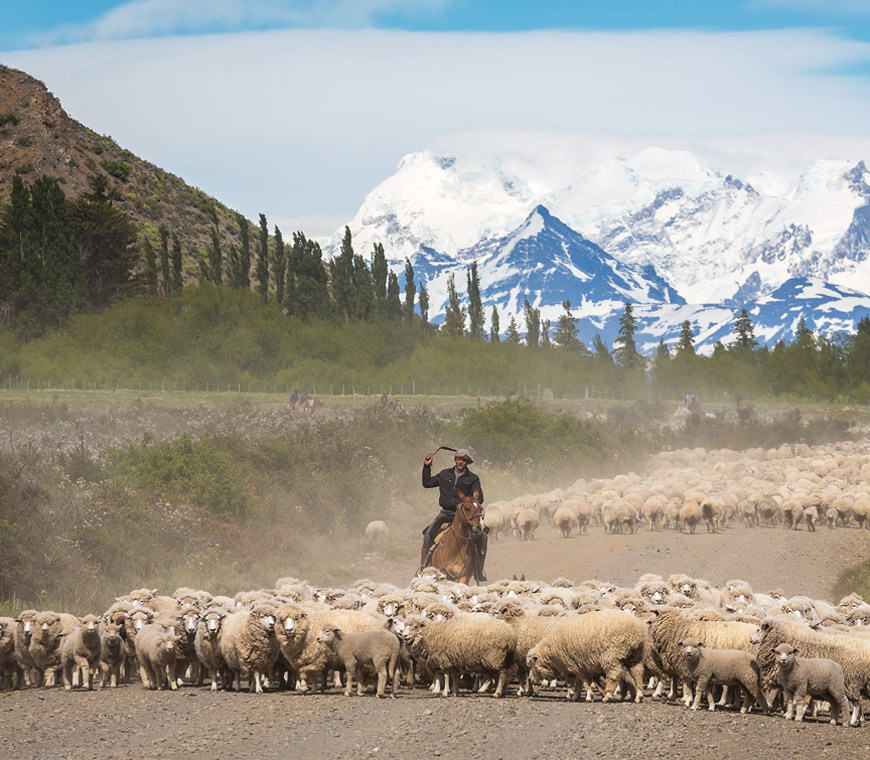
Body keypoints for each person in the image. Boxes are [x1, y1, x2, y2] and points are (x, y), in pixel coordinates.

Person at [420, 448, 486, 576]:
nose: (460, 462)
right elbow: (427, 483)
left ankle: (478, 570)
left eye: (463, 460)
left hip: (465, 516)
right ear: (455, 460)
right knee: (428, 534)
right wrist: (427, 466)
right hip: (446, 513)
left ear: (467, 462)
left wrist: (465, 504)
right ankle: (422, 569)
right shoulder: (444, 474)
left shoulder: (473, 478)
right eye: (458, 459)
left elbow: (479, 498)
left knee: (483, 535)